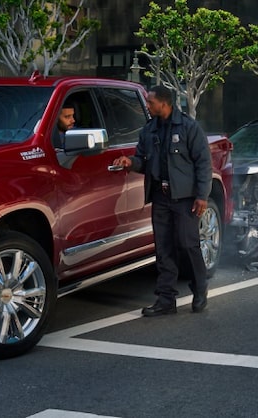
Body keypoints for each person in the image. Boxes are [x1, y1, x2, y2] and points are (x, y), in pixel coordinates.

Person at [111, 85, 211, 316]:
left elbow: (203, 163)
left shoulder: (188, 127)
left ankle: (200, 288)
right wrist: (130, 162)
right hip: (160, 196)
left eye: (150, 102)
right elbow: (142, 160)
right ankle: (166, 299)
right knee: (163, 248)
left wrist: (202, 196)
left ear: (164, 103)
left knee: (188, 244)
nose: (147, 105)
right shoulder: (149, 131)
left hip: (184, 198)